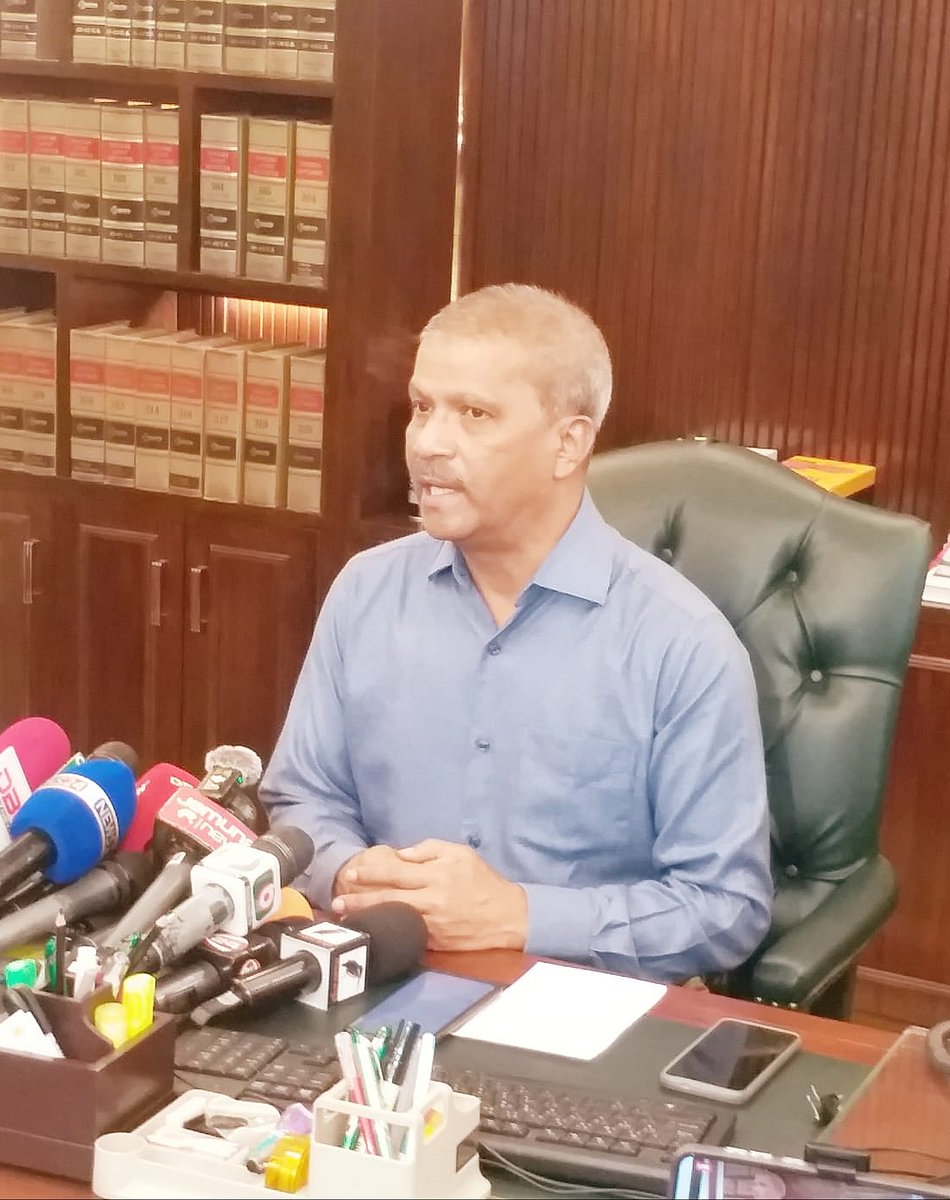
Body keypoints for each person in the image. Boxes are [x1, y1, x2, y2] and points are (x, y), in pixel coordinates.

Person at [259, 283, 771, 981]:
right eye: (422, 408)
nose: (429, 445)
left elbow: (725, 907)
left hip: (579, 1014)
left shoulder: (680, 644)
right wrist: (351, 870)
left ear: (568, 445)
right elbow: (302, 799)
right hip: (377, 983)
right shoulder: (366, 591)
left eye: (474, 414)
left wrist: (518, 916)